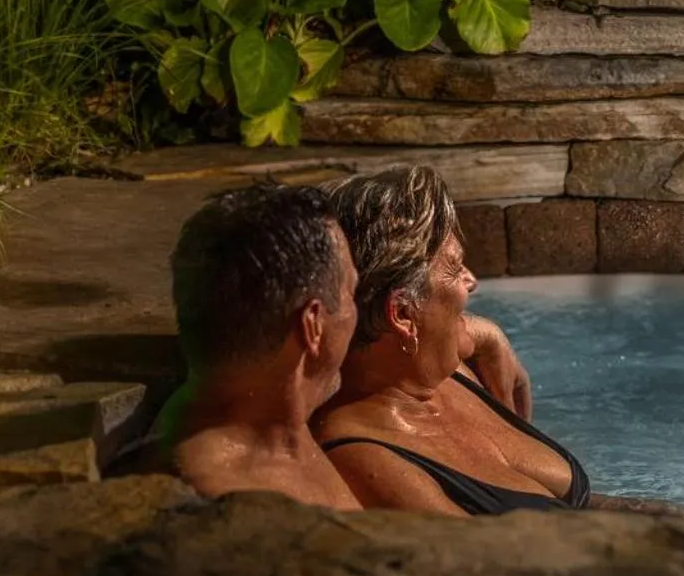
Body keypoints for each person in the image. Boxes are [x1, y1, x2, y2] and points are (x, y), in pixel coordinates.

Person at [315, 167, 591, 514]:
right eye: (456, 266)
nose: (471, 280)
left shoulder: (441, 368)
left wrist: (489, 336)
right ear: (402, 314)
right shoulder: (368, 461)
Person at [157, 183, 362, 510]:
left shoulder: (276, 423)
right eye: (351, 291)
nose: (357, 311)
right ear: (313, 324)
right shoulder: (229, 499)